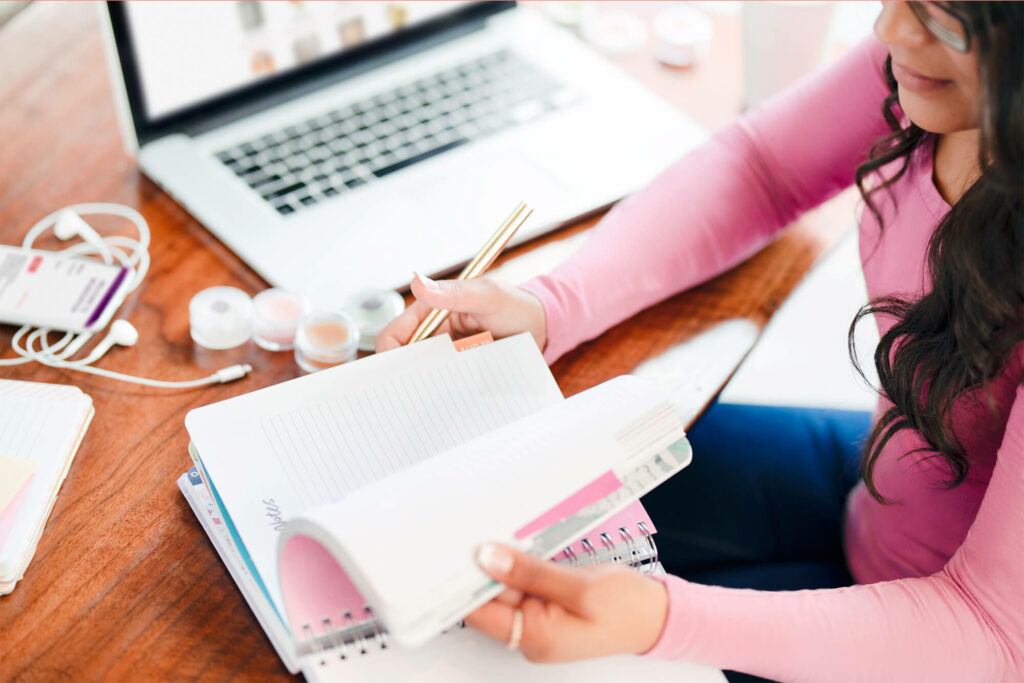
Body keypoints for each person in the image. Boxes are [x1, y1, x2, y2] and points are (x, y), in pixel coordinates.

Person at [376, 2, 1023, 681]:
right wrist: (550, 305)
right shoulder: (927, 70)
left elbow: (993, 629)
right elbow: (763, 167)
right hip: (875, 490)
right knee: (510, 486)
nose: (890, 32)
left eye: (949, 20)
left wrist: (662, 620)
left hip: (940, 638)